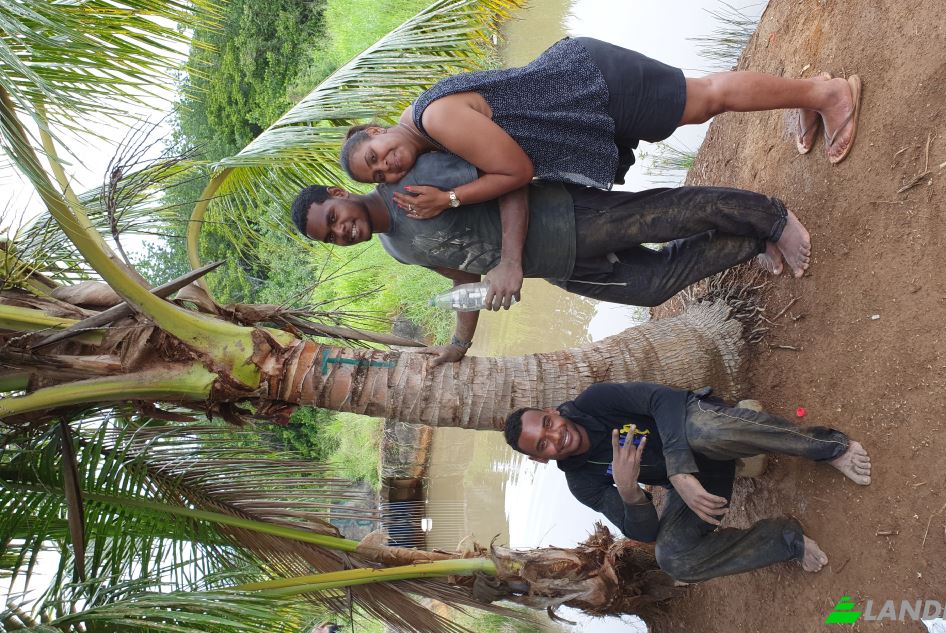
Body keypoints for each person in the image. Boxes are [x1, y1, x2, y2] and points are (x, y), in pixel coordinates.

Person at [338, 37, 860, 299]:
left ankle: (829, 94)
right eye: (378, 175)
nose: (387, 167)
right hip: (577, 108)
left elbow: (515, 173)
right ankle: (807, 95)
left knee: (705, 100)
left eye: (375, 155)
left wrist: (450, 199)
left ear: (377, 129)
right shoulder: (425, 136)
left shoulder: (436, 118)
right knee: (702, 104)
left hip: (589, 84)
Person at [291, 152, 810, 364]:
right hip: (560, 267)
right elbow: (464, 277)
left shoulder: (410, 180)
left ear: (339, 193)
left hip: (566, 215)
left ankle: (772, 218)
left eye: (334, 218)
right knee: (652, 287)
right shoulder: (396, 247)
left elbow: (509, 179)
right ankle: (750, 242)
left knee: (668, 216)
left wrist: (510, 262)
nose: (342, 232)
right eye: (331, 237)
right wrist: (459, 343)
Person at [502, 382, 872, 583]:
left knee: (704, 431)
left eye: (548, 424)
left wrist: (678, 470)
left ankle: (829, 447)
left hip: (704, 430)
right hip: (699, 484)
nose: (556, 436)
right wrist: (630, 493)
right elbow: (645, 532)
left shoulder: (594, 402)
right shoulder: (582, 483)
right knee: (674, 558)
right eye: (543, 444)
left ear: (551, 412)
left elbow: (663, 400)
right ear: (540, 459)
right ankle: (786, 540)